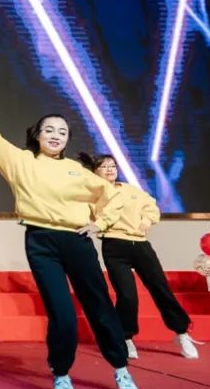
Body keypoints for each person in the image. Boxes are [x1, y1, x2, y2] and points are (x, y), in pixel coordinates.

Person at [0, 91, 138, 389]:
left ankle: (121, 368)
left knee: (99, 306)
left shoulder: (77, 170)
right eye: (49, 130)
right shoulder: (21, 162)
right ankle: (62, 374)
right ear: (37, 135)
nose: (56, 136)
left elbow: (114, 196)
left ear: (67, 140)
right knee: (61, 312)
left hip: (77, 240)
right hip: (41, 241)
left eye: (62, 132)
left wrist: (100, 224)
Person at [77, 152, 200, 359]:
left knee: (161, 289)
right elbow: (89, 217)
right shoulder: (93, 195)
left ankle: (182, 333)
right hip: (114, 246)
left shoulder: (130, 189)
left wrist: (147, 220)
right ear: (95, 172)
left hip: (141, 245)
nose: (110, 169)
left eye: (112, 166)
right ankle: (126, 338)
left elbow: (151, 206)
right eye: (104, 166)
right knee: (127, 296)